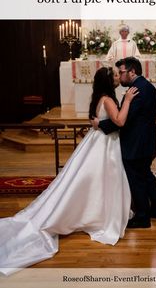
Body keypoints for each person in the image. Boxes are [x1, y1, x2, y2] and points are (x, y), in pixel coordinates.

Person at [0, 67, 138, 275]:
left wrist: (100, 123)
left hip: (97, 141)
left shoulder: (99, 97)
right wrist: (127, 101)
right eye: (117, 75)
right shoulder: (109, 99)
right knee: (104, 179)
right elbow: (119, 121)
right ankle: (98, 215)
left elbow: (99, 122)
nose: (120, 77)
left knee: (93, 180)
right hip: (106, 145)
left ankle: (94, 211)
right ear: (109, 82)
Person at [93, 57, 156, 228]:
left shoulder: (137, 91)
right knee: (146, 175)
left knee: (137, 179)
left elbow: (123, 120)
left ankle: (142, 217)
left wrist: (99, 124)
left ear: (132, 72)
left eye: (122, 72)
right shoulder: (146, 86)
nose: (119, 76)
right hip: (146, 140)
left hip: (136, 143)